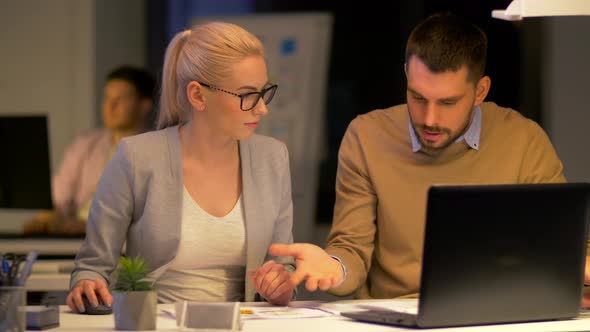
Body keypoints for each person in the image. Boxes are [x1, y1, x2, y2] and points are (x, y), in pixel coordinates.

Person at [270, 12, 588, 300]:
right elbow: (351, 250)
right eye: (418, 97)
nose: (430, 118)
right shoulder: (367, 136)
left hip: (497, 312)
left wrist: (578, 268)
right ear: (407, 73)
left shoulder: (523, 139)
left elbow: (560, 243)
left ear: (481, 91)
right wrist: (333, 268)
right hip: (395, 316)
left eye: (448, 102)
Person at [66, 22, 296, 313]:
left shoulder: (272, 158)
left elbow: (283, 265)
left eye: (264, 93)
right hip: (155, 321)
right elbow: (92, 266)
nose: (262, 108)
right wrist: (87, 282)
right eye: (247, 95)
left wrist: (282, 284)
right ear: (198, 95)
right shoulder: (138, 156)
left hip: (245, 322)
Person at [23, 66, 155, 236]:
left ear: (144, 106)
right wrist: (46, 219)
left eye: (120, 99)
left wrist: (93, 227)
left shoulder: (157, 151)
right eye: (107, 98)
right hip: (75, 239)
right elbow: (58, 198)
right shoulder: (86, 144)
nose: (110, 106)